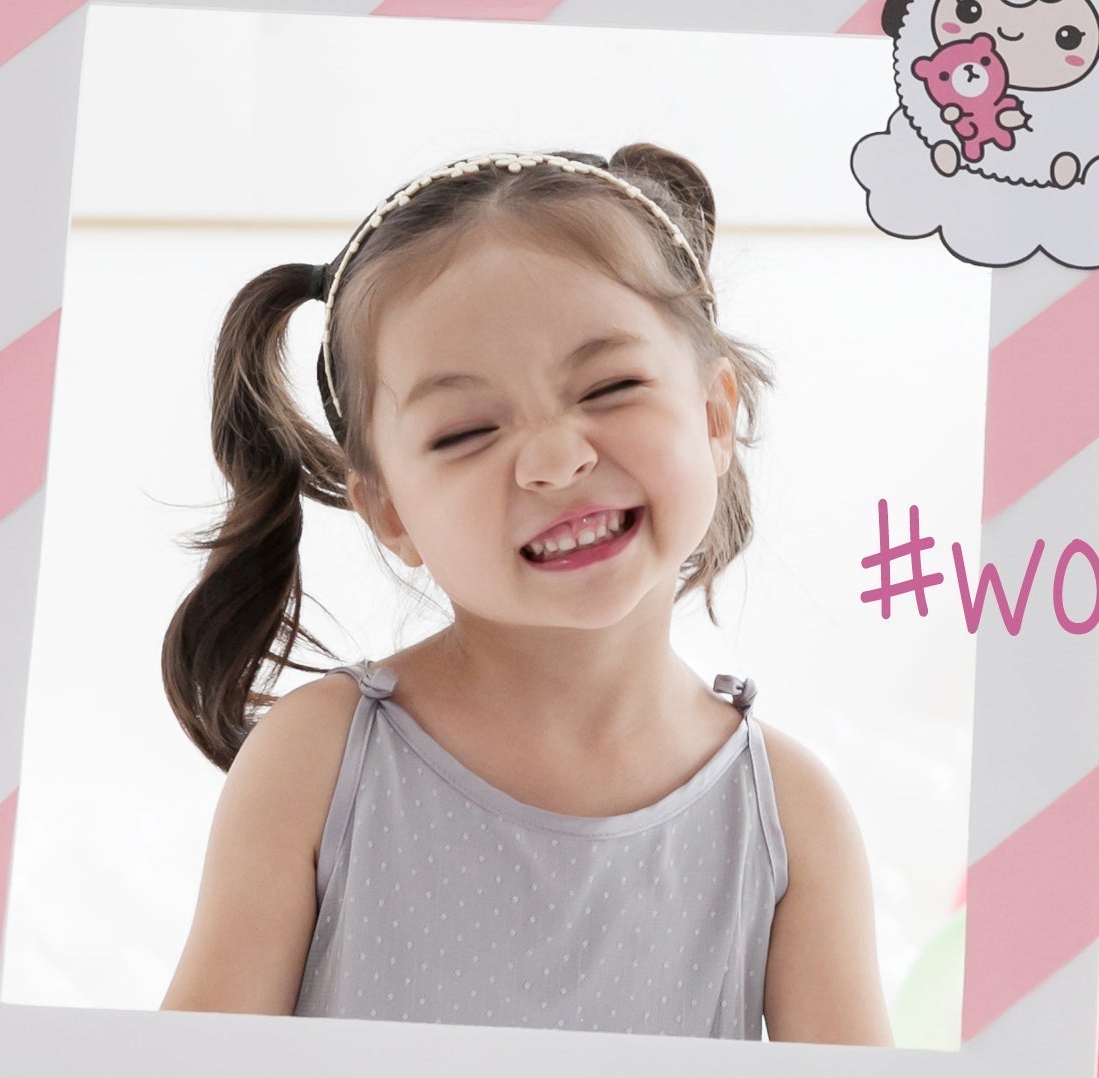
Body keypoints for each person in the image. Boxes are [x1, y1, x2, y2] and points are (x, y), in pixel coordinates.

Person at [146, 143, 889, 1044]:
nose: (554, 458)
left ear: (714, 413)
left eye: (611, 387)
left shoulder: (789, 816)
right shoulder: (320, 761)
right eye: (465, 432)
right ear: (386, 508)